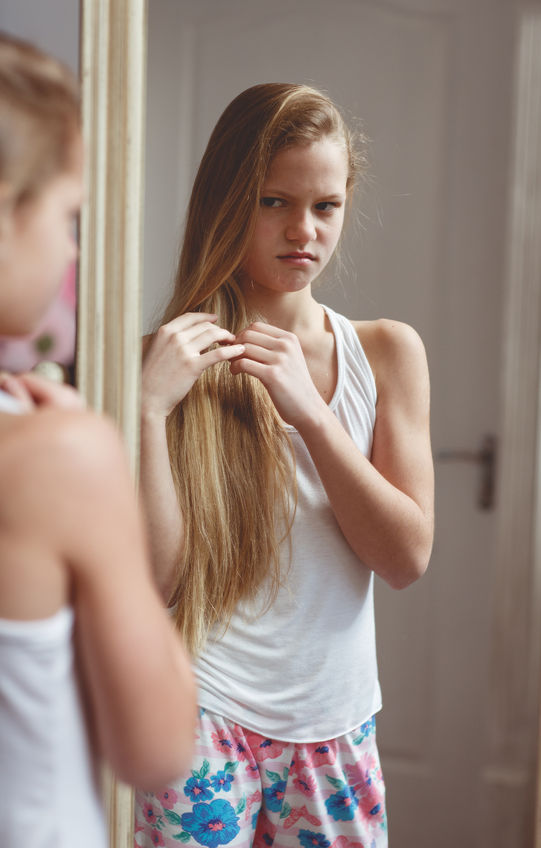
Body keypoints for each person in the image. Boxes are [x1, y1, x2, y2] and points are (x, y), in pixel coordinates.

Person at [136, 83, 434, 848]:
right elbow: (159, 581)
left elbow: (404, 558)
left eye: (325, 206)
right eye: (274, 201)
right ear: (229, 199)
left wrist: (311, 413)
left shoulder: (386, 352)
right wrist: (145, 414)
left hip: (334, 726)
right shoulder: (164, 363)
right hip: (199, 714)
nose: (302, 230)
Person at [0, 29, 197, 847]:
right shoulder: (57, 456)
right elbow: (160, 749)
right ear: (0, 216)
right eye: (69, 215)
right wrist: (96, 447)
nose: (74, 248)